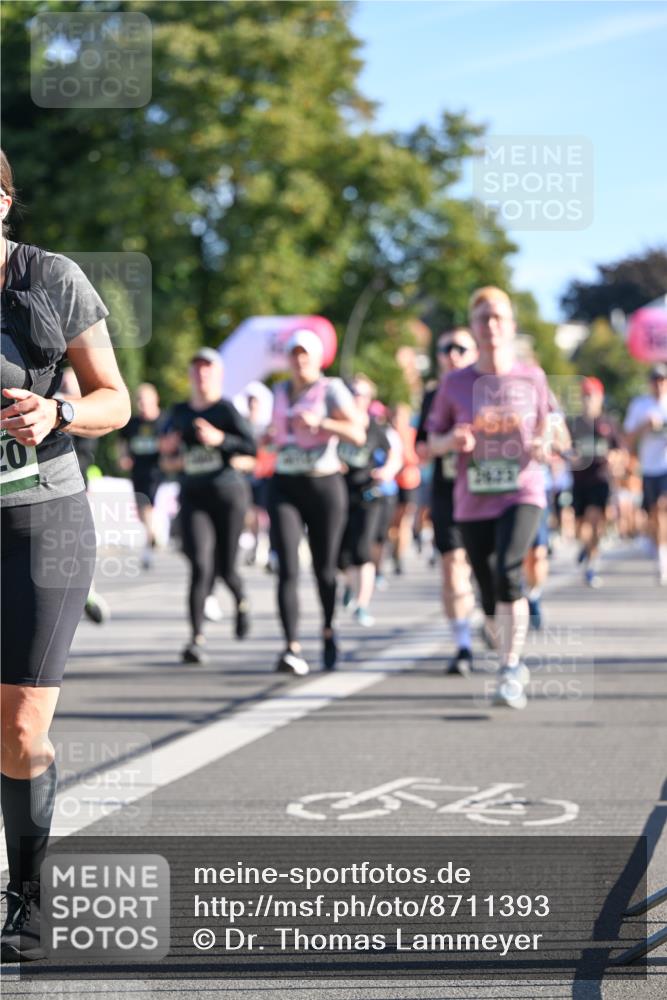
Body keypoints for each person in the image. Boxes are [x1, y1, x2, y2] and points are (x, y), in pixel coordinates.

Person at [0, 149, 130, 962]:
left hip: (40, 524)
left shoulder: (50, 279)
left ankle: (28, 895)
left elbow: (112, 398)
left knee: (17, 728)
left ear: (4, 200)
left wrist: (56, 410)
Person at [427, 286, 550, 710]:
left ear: (512, 326)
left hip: (522, 490)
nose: (491, 325)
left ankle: (509, 667)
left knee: (508, 567)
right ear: (474, 328)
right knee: (485, 585)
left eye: (499, 317)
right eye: (483, 318)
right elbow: (430, 442)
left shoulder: (532, 377)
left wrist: (543, 441)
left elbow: (556, 429)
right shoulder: (455, 384)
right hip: (473, 498)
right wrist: (451, 440)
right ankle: (503, 642)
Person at [267, 329, 364, 675]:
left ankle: (327, 629)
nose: (299, 360)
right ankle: (291, 647)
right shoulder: (277, 390)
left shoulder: (332, 389)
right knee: (287, 567)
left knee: (325, 568)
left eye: (305, 354)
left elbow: (358, 432)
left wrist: (320, 423)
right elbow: (269, 433)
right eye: (293, 354)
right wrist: (268, 436)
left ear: (317, 357)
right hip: (284, 485)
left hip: (324, 485)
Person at [160, 348, 257, 663]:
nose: (201, 375)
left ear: (217, 375)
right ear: (190, 375)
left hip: (228, 495)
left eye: (208, 369)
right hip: (194, 495)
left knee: (227, 568)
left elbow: (251, 448)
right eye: (197, 368)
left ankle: (241, 601)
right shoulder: (178, 411)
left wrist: (220, 440)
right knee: (200, 566)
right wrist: (170, 450)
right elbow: (166, 457)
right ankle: (196, 639)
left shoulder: (226, 410)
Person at [415, 328, 478, 674]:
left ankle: (489, 610)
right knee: (452, 565)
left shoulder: (490, 389)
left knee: (484, 569)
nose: (452, 354)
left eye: (460, 348)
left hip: (487, 492)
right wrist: (446, 442)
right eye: (445, 348)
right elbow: (422, 448)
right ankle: (463, 644)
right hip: (447, 490)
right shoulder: (432, 396)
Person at [338, 374, 400, 627]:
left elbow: (394, 454)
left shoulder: (377, 428)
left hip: (369, 494)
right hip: (340, 494)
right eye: (352, 392)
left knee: (363, 549)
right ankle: (350, 586)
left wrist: (386, 472)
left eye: (361, 393)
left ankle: (361, 604)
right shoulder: (337, 424)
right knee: (341, 554)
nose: (356, 397)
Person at [567, 376, 623, 588]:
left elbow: (620, 450)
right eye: (584, 396)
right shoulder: (573, 423)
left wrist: (614, 459)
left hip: (600, 480)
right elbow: (563, 447)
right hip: (579, 480)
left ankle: (590, 565)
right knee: (582, 527)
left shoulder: (608, 423)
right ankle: (585, 548)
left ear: (600, 397)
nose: (587, 400)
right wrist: (571, 455)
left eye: (591, 396)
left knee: (596, 522)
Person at [624, 363, 667, 585]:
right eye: (655, 380)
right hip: (650, 468)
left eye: (662, 380)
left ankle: (663, 557)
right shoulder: (640, 405)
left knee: (662, 507)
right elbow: (627, 440)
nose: (658, 385)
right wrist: (645, 426)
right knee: (655, 514)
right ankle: (659, 552)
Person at [118, 382, 165, 570]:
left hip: (159, 470)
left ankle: (152, 538)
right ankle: (152, 536)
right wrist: (123, 456)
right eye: (139, 401)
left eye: (146, 401)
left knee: (149, 506)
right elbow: (122, 440)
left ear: (156, 400)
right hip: (139, 470)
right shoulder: (134, 423)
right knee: (142, 509)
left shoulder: (164, 421)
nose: (142, 405)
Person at [388, 402, 421, 575]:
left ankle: (399, 556)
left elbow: (419, 456)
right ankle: (393, 550)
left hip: (409, 482)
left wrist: (406, 461)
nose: (396, 419)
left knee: (404, 521)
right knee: (392, 524)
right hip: (391, 484)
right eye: (394, 416)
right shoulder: (389, 434)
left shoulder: (412, 434)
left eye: (400, 416)